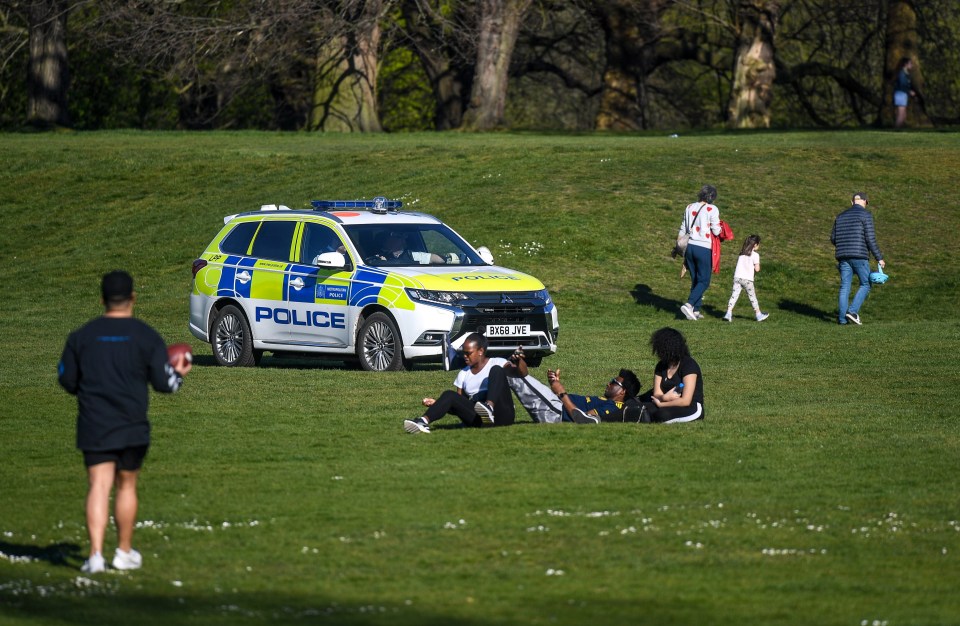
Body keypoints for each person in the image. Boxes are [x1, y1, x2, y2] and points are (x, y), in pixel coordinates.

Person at [58, 271, 192, 574]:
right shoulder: (146, 336)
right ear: (133, 298)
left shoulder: (82, 336)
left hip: (94, 423)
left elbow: (66, 380)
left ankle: (95, 556)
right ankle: (123, 552)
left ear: (102, 299)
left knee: (98, 485)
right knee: (126, 485)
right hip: (132, 424)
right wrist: (179, 375)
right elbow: (164, 384)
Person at [403, 333, 518, 433]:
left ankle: (489, 407)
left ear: (480, 351)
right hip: (481, 420)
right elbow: (460, 406)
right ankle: (422, 422)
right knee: (449, 395)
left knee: (496, 370)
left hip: (503, 414)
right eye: (463, 353)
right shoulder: (463, 374)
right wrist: (438, 404)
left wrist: (519, 361)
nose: (465, 356)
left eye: (468, 353)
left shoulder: (498, 362)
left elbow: (521, 374)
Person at [508, 365, 642, 424]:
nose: (608, 384)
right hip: (554, 406)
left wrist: (561, 392)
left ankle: (494, 410)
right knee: (511, 372)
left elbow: (583, 420)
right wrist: (555, 384)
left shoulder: (614, 407)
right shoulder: (607, 401)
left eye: (613, 382)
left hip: (555, 412)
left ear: (622, 391)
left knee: (511, 373)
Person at [830, 192, 885, 325]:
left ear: (852, 202)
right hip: (859, 255)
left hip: (842, 256)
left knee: (844, 287)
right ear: (866, 202)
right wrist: (879, 258)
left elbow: (833, 238)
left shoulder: (840, 216)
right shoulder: (866, 215)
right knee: (866, 284)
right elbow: (870, 239)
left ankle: (842, 320)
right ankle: (852, 311)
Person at [638, 327, 704, 423]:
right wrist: (664, 398)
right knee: (641, 408)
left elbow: (685, 401)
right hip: (666, 402)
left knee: (661, 415)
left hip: (690, 408)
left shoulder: (689, 365)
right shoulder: (661, 365)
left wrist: (661, 404)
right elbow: (657, 393)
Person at [679, 184, 722, 321]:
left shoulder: (689, 207)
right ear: (712, 197)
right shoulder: (712, 209)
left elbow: (683, 228)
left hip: (690, 246)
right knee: (704, 280)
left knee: (695, 279)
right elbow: (716, 230)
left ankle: (696, 310)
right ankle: (690, 304)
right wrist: (721, 229)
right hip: (703, 247)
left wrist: (678, 246)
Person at [723, 234, 769, 322]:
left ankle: (728, 313)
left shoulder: (742, 253)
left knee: (734, 295)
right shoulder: (755, 255)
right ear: (755, 244)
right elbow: (757, 269)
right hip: (747, 279)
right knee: (752, 297)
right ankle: (758, 314)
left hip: (737, 277)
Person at [371, 231, 444, 265]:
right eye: (396, 237)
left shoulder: (411, 255)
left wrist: (449, 258)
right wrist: (381, 262)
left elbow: (438, 259)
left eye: (400, 237)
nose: (402, 239)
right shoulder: (377, 256)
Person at [893, 57, 916, 129]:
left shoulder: (906, 74)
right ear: (905, 64)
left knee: (903, 115)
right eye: (910, 63)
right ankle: (895, 131)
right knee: (901, 115)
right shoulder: (902, 73)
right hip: (900, 94)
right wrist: (910, 91)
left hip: (903, 94)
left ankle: (897, 130)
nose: (912, 65)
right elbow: (902, 84)